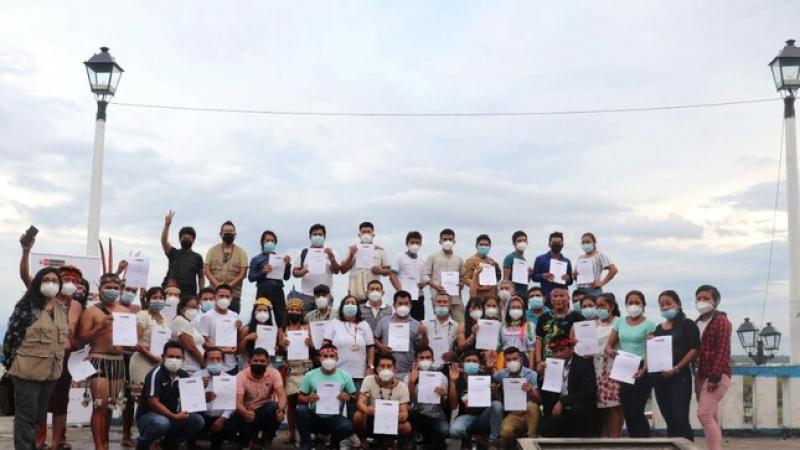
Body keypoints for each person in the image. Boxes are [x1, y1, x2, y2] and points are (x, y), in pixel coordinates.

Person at [3, 268, 68, 450]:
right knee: (26, 417)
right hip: (26, 372)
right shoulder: (27, 307)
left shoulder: (61, 308)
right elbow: (11, 338)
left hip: (51, 373)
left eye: (55, 280)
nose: (51, 283)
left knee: (38, 416)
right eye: (46, 280)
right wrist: (11, 364)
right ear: (38, 282)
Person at [77, 272, 132, 450]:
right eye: (109, 287)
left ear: (120, 290)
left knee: (109, 406)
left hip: (118, 361)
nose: (112, 290)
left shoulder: (126, 312)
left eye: (116, 287)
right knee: (100, 405)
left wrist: (134, 342)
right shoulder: (91, 311)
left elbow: (130, 343)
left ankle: (105, 444)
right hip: (99, 360)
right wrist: (101, 326)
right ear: (100, 289)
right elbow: (82, 338)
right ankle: (99, 446)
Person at [34, 265, 85, 450]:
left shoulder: (77, 305)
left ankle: (57, 441)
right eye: (66, 279)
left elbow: (79, 334)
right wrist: (26, 253)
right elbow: (26, 277)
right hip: (43, 355)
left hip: (65, 357)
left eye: (74, 280)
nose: (70, 283)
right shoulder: (45, 300)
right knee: (40, 399)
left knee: (61, 401)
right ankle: (39, 441)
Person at [604, 290, 657, 437]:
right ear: (626, 305)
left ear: (643, 305)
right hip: (623, 367)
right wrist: (610, 351)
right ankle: (634, 441)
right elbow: (609, 345)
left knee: (636, 410)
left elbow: (652, 350)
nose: (634, 305)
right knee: (626, 410)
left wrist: (644, 369)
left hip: (642, 367)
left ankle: (644, 442)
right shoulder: (620, 322)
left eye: (637, 302)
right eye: (630, 302)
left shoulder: (650, 324)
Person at [135, 340, 205, 450]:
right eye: (171, 356)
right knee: (162, 423)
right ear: (163, 357)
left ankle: (169, 443)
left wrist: (204, 397)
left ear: (183, 359)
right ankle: (143, 443)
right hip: (150, 416)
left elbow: (189, 400)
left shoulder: (184, 376)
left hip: (172, 416)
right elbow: (153, 403)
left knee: (197, 420)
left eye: (178, 357)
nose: (174, 360)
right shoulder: (156, 374)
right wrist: (174, 416)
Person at [652, 290, 700, 442]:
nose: (665, 307)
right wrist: (650, 342)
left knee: (680, 419)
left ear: (678, 304)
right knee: (669, 419)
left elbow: (694, 350)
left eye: (669, 303)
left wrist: (676, 368)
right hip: (660, 379)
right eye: (662, 305)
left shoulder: (688, 324)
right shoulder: (658, 328)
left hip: (680, 378)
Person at [296, 344, 357, 450]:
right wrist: (307, 398)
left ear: (337, 358)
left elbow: (355, 397)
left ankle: (334, 444)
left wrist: (349, 398)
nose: (329, 359)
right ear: (320, 358)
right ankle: (306, 443)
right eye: (325, 356)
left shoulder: (345, 376)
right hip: (315, 416)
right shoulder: (310, 375)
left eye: (332, 356)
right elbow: (300, 397)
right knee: (301, 410)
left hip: (335, 418)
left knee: (347, 426)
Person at [694, 284, 732, 450]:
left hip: (716, 375)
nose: (702, 301)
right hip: (700, 375)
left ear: (716, 301)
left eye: (706, 298)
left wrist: (715, 377)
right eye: (699, 298)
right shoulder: (697, 323)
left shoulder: (721, 321)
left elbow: (722, 350)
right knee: (712, 417)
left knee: (704, 415)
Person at [323, 295, 376, 415]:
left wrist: (370, 366)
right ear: (342, 306)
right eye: (347, 303)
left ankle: (352, 427)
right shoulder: (334, 323)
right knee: (335, 408)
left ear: (357, 307)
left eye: (353, 303)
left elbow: (371, 347)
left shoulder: (364, 325)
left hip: (358, 374)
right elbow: (325, 345)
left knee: (355, 409)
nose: (350, 305)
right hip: (337, 373)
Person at [539, 337, 598, 437]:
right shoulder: (551, 367)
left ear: (571, 348)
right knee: (545, 428)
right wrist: (543, 376)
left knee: (578, 411)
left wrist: (563, 401)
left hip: (578, 409)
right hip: (560, 412)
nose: (559, 354)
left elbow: (588, 392)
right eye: (555, 351)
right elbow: (546, 399)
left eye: (562, 350)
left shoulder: (584, 364)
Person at [228, 348, 287, 448]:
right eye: (255, 361)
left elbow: (281, 395)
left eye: (262, 361)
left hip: (265, 409)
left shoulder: (274, 373)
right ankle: (245, 441)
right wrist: (245, 413)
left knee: (274, 408)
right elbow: (238, 402)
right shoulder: (241, 376)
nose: (259, 363)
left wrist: (281, 410)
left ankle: (266, 440)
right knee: (238, 414)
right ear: (249, 362)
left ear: (268, 362)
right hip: (248, 410)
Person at [354, 353, 412, 449]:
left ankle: (390, 443)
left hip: (392, 421)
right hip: (372, 418)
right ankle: (363, 442)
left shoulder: (402, 387)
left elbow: (404, 411)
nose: (386, 369)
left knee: (406, 427)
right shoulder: (368, 380)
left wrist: (402, 416)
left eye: (389, 366)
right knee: (358, 415)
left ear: (395, 369)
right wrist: (367, 410)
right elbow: (360, 402)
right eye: (382, 366)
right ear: (377, 369)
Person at [491, 346, 542, 446]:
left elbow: (540, 401)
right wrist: (493, 387)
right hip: (514, 414)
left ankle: (530, 440)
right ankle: (515, 444)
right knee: (505, 433)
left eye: (515, 359)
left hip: (529, 412)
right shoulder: (502, 374)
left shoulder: (531, 375)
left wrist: (531, 391)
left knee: (532, 406)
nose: (512, 362)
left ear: (521, 360)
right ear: (505, 362)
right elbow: (491, 380)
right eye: (508, 360)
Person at [279, 298, 313, 445]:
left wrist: (310, 344)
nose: (294, 312)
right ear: (287, 311)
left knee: (304, 403)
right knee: (292, 404)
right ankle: (292, 433)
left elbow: (315, 347)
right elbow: (279, 351)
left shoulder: (307, 327)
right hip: (291, 369)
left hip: (305, 368)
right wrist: (281, 344)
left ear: (301, 312)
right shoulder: (282, 330)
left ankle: (305, 434)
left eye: (297, 310)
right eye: (292, 309)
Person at [448, 350, 498, 448]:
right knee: (454, 431)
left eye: (475, 361)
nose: (471, 363)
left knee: (497, 405)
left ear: (479, 364)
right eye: (468, 361)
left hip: (484, 416)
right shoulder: (458, 379)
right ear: (463, 364)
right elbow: (453, 406)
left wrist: (494, 391)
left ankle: (492, 442)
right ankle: (469, 438)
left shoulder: (487, 377)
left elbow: (497, 404)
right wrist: (452, 382)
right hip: (466, 416)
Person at [374, 290, 428, 379]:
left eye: (406, 303)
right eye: (400, 303)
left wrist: (424, 335)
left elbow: (422, 348)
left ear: (410, 305)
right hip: (387, 370)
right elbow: (375, 338)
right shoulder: (384, 321)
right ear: (394, 305)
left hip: (408, 371)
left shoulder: (417, 324)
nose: (403, 306)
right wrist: (381, 347)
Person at [534, 286, 583, 378]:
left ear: (568, 298)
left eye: (561, 296)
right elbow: (539, 340)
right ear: (551, 300)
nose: (558, 299)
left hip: (570, 365)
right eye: (555, 296)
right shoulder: (543, 318)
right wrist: (539, 362)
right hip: (548, 364)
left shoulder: (577, 317)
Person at [405, 346, 449, 449]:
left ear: (433, 359)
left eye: (428, 357)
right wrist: (411, 383)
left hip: (435, 415)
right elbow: (407, 402)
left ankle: (432, 440)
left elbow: (445, 405)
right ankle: (413, 437)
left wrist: (443, 395)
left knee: (444, 431)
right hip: (417, 414)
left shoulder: (441, 377)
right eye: (421, 358)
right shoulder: (409, 377)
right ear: (416, 360)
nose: (425, 360)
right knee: (408, 412)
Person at [591, 293, 622, 437]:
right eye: (597, 306)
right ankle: (607, 438)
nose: (599, 309)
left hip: (613, 367)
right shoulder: (593, 324)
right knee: (603, 405)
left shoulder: (619, 322)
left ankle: (615, 439)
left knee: (614, 405)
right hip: (596, 368)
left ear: (611, 306)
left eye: (602, 305)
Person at [129, 287, 168, 398]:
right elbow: (134, 341)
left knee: (156, 396)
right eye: (155, 297)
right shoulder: (142, 315)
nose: (158, 300)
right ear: (148, 300)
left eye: (161, 298)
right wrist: (150, 355)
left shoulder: (164, 318)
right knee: (141, 397)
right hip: (142, 361)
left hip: (159, 363)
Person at [292, 223, 341, 313]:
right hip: (307, 295)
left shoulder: (331, 252)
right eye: (315, 234)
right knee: (307, 319)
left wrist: (332, 258)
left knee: (325, 320)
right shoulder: (304, 252)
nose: (317, 236)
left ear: (324, 237)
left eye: (320, 234)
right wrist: (302, 272)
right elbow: (295, 272)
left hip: (325, 294)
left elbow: (337, 270)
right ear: (310, 237)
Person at [193, 347, 235, 450]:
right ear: (205, 361)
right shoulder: (196, 376)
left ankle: (217, 445)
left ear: (223, 361)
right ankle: (191, 444)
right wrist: (201, 393)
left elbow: (232, 403)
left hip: (219, 416)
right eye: (211, 359)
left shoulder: (230, 379)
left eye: (218, 359)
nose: (215, 362)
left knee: (232, 424)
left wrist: (223, 418)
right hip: (202, 415)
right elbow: (189, 402)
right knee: (192, 419)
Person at [248, 230, 292, 326]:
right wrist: (263, 272)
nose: (270, 243)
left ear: (275, 243)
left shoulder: (281, 258)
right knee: (260, 319)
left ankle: (280, 334)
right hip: (263, 290)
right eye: (267, 240)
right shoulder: (256, 259)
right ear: (262, 242)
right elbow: (251, 278)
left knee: (282, 320)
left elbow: (286, 277)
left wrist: (288, 265)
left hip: (278, 290)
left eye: (272, 241)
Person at [340, 221, 391, 303]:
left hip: (374, 294)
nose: (366, 234)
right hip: (355, 294)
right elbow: (343, 270)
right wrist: (351, 255)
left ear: (373, 234)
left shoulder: (380, 251)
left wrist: (381, 271)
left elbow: (388, 271)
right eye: (363, 232)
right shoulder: (352, 249)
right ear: (359, 234)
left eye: (368, 232)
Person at [204, 220, 249, 313]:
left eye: (231, 231)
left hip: (233, 295)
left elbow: (243, 274)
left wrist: (228, 287)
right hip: (214, 293)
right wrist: (218, 285)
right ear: (220, 234)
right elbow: (207, 270)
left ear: (235, 234)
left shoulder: (242, 252)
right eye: (226, 231)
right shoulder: (212, 250)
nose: (229, 233)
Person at [423, 228, 466, 322]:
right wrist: (435, 286)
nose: (448, 241)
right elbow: (425, 276)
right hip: (439, 300)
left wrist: (461, 284)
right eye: (445, 239)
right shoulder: (433, 257)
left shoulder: (458, 259)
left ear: (454, 241)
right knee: (440, 325)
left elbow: (463, 277)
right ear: (440, 241)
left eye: (450, 239)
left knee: (461, 325)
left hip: (455, 300)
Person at [198, 284, 241, 375]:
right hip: (213, 366)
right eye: (221, 296)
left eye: (227, 296)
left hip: (231, 365)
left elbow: (237, 340)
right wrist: (222, 350)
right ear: (215, 297)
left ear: (231, 298)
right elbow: (204, 342)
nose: (224, 299)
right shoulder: (206, 317)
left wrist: (239, 329)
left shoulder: (235, 316)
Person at [160, 210, 204, 296]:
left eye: (189, 238)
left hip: (189, 294)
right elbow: (164, 241)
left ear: (193, 240)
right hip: (171, 291)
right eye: (184, 238)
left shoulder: (198, 257)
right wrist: (167, 225)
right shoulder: (173, 253)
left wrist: (202, 292)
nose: (186, 240)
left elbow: (201, 276)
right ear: (180, 239)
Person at [389, 230, 426, 321]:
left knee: (418, 323)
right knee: (401, 321)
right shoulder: (399, 257)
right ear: (407, 243)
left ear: (420, 244)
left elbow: (424, 279)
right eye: (412, 242)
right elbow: (392, 276)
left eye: (417, 243)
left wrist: (423, 284)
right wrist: (400, 292)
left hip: (418, 297)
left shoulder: (422, 261)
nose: (414, 245)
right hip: (403, 299)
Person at [531, 231, 573, 302]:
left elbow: (570, 281)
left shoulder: (566, 261)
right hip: (547, 297)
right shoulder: (540, 259)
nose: (556, 244)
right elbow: (534, 277)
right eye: (554, 242)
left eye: (559, 242)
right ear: (549, 244)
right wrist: (542, 276)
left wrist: (568, 279)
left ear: (562, 244)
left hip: (562, 298)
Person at [237, 297, 279, 367]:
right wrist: (246, 339)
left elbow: (275, 353)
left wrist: (275, 349)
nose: (262, 312)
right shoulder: (246, 329)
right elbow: (238, 351)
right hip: (249, 365)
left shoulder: (273, 331)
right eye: (259, 310)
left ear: (269, 313)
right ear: (254, 312)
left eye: (265, 310)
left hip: (266, 365)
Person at [573, 232, 618, 298]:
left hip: (593, 290)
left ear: (594, 242)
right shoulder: (580, 258)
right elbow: (576, 277)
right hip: (580, 291)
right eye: (583, 243)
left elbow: (614, 269)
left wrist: (601, 283)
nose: (585, 244)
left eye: (588, 242)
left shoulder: (599, 255)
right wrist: (575, 275)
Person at [171, 295, 206, 374]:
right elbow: (191, 347)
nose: (194, 310)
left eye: (196, 307)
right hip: (188, 368)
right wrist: (203, 363)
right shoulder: (180, 321)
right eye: (191, 307)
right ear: (182, 309)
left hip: (196, 368)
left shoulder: (190, 323)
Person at [500, 296, 536, 366]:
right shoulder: (502, 326)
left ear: (523, 310)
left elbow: (531, 349)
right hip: (505, 360)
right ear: (508, 310)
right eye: (513, 307)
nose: (516, 310)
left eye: (518, 307)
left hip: (523, 360)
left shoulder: (529, 326)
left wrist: (531, 367)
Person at [425, 291, 459, 367]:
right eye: (439, 302)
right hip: (428, 365)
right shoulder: (425, 324)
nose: (442, 304)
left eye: (445, 302)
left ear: (450, 306)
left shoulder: (456, 326)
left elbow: (458, 349)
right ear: (434, 304)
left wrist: (453, 354)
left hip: (447, 365)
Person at [463, 234, 501, 301]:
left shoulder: (492, 261)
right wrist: (477, 285)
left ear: (490, 247)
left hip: (491, 297)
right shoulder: (470, 260)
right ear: (476, 246)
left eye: (486, 245)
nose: (484, 246)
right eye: (481, 244)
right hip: (478, 296)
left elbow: (498, 278)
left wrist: (496, 267)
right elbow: (466, 278)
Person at [503, 230, 531, 298]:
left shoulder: (524, 260)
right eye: (519, 241)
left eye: (524, 240)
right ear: (514, 243)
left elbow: (526, 281)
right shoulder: (509, 258)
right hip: (513, 295)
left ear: (527, 242)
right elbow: (506, 279)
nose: (522, 243)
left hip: (524, 294)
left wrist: (529, 274)